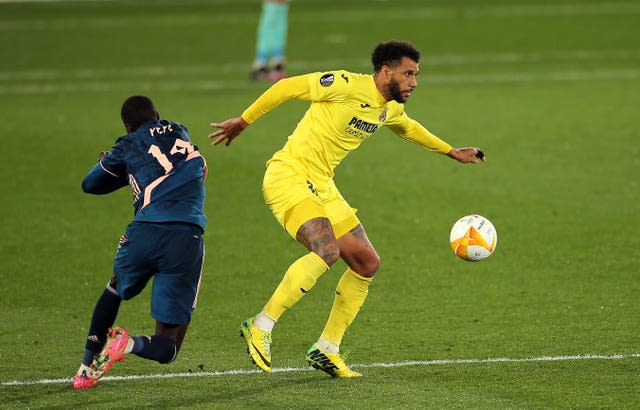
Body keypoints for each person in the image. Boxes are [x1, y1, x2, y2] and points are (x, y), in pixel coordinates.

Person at [209, 40, 485, 378]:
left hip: (322, 185)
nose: (414, 82)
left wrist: (452, 151)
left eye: (416, 74)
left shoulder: (390, 107)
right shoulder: (342, 84)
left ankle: (327, 348)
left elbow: (407, 128)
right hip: (289, 175)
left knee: (366, 262)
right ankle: (261, 324)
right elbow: (284, 87)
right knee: (326, 250)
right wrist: (244, 120)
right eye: (408, 73)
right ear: (386, 72)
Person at [73, 95, 208, 389]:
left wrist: (123, 167)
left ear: (127, 125)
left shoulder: (127, 144)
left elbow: (90, 185)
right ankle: (129, 344)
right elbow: (189, 168)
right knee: (168, 349)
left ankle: (85, 369)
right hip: (186, 238)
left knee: (114, 288)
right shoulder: (181, 132)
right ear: (157, 115)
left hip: (144, 233)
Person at [251, 0, 289, 82]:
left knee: (276, 32)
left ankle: (268, 63)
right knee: (271, 32)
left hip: (277, 6)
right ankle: (263, 64)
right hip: (274, 6)